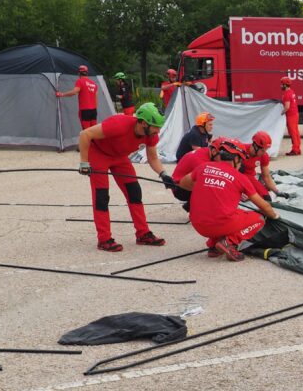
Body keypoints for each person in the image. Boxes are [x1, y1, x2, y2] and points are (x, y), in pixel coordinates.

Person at [77, 102, 169, 252]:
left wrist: (163, 174)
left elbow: (153, 158)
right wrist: (84, 162)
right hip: (99, 154)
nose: (157, 131)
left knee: (134, 193)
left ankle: (143, 234)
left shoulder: (150, 135)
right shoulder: (118, 124)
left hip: (120, 158)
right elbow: (85, 134)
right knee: (101, 197)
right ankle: (104, 239)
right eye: (155, 127)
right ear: (144, 123)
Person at [179, 139, 280, 262]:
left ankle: (213, 247)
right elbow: (264, 206)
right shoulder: (240, 177)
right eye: (241, 161)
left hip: (196, 223)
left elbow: (183, 183)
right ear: (236, 159)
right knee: (258, 218)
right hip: (219, 224)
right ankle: (229, 241)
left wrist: (208, 186)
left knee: (227, 213)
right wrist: (274, 216)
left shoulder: (203, 167)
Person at [168, 136, 227, 209]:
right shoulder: (201, 161)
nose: (225, 160)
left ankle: (192, 205)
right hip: (179, 189)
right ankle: (193, 207)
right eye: (223, 157)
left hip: (182, 182)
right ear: (214, 151)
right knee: (213, 186)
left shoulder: (207, 151)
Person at [56, 65, 99, 129]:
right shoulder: (94, 84)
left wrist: (62, 94)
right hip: (93, 111)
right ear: (87, 73)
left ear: (79, 73)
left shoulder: (80, 81)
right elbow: (96, 99)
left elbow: (74, 92)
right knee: (93, 130)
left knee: (86, 131)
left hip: (85, 110)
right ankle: (95, 139)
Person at [242, 131, 279, 201]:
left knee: (266, 198)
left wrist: (277, 191)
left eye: (266, 150)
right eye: (262, 150)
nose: (264, 153)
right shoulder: (241, 150)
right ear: (255, 146)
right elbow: (229, 171)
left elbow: (266, 177)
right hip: (237, 178)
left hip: (250, 178)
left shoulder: (264, 156)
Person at [281, 76, 301, 155]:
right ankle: (298, 148)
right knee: (296, 132)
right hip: (295, 114)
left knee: (292, 133)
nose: (281, 86)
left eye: (282, 84)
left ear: (285, 85)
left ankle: (295, 150)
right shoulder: (291, 92)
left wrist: (281, 113)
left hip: (291, 116)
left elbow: (287, 107)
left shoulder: (287, 94)